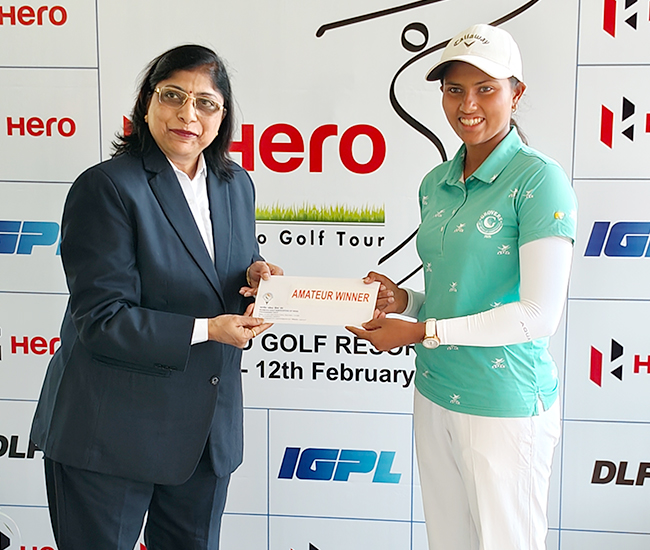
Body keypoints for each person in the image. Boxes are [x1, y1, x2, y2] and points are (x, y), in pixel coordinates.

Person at [30, 44, 281, 550]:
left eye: (206, 102)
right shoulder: (107, 187)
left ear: (223, 116)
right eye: (173, 96)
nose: (188, 114)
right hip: (109, 432)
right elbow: (103, 318)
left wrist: (256, 273)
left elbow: (218, 269)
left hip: (205, 435)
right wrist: (209, 329)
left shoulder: (235, 184)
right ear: (147, 103)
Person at [347, 24, 577, 550]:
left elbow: (538, 314)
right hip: (435, 390)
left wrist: (419, 331)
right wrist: (404, 301)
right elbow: (458, 295)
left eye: (485, 88)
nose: (467, 104)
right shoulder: (436, 182)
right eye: (454, 89)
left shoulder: (539, 180)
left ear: (516, 94)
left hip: (503, 402)